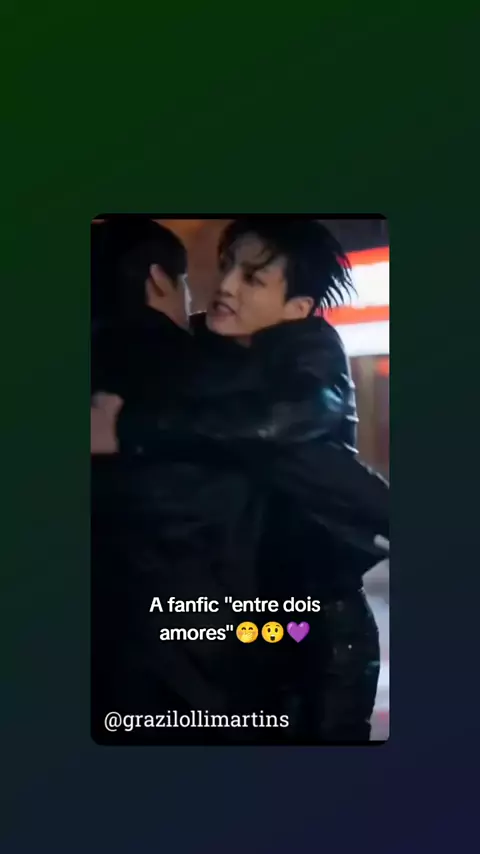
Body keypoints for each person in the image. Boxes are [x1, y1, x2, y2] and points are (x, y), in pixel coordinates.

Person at [92, 217, 389, 742]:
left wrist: (130, 427)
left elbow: (293, 421)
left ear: (296, 308)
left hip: (322, 617)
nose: (225, 284)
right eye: (227, 266)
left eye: (253, 278)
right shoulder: (206, 350)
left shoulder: (310, 352)